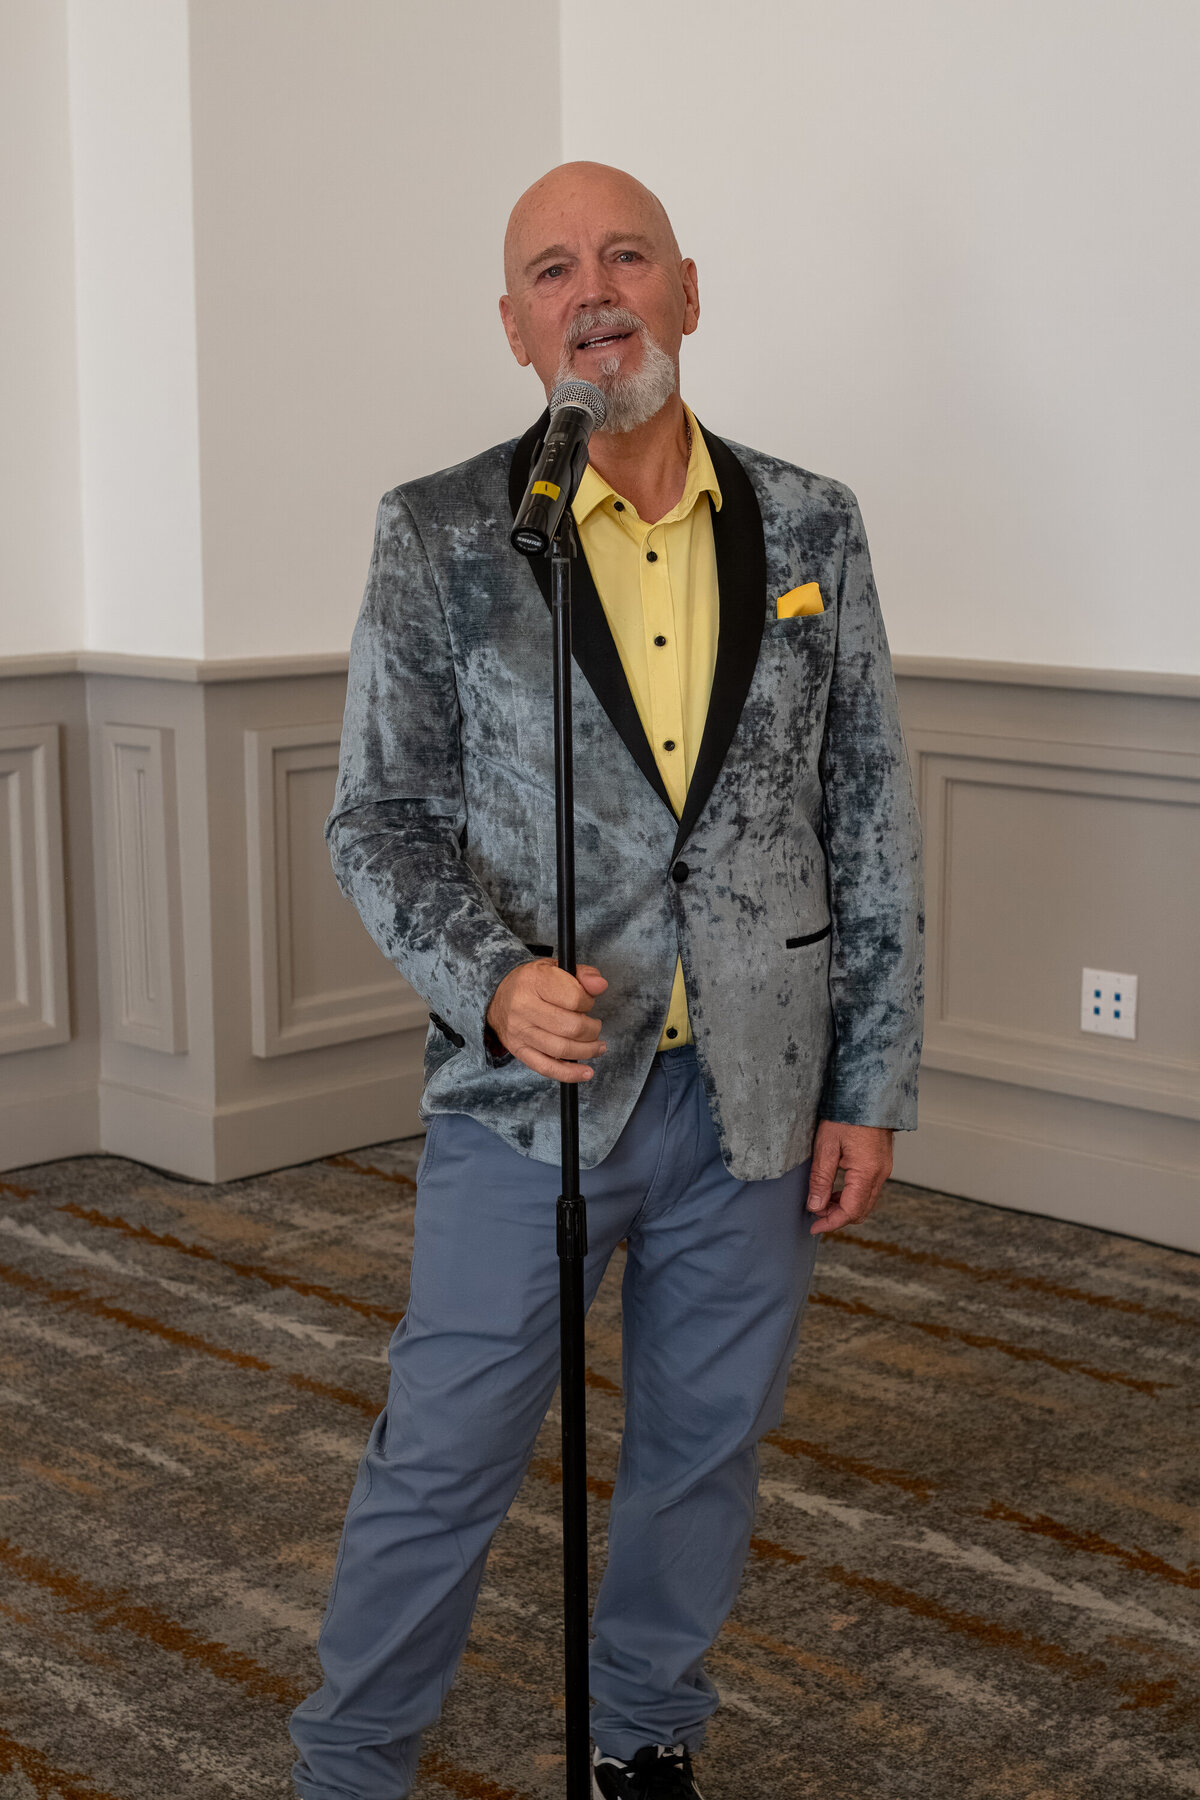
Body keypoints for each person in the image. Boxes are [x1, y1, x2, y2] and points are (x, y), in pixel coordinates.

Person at [290, 161, 923, 1800]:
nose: (595, 293)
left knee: (704, 1448)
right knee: (445, 1452)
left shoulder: (814, 520)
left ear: (687, 292)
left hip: (758, 1093)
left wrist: (869, 1082)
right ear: (514, 328)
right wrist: (492, 980)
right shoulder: (443, 532)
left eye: (626, 257)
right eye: (553, 271)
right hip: (535, 1096)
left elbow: (864, 812)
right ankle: (350, 1769)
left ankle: (644, 1739)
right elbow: (377, 819)